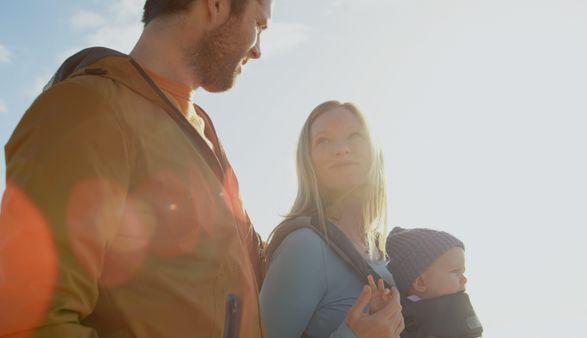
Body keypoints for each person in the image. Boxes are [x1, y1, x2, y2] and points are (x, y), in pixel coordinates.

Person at [0, 0, 272, 337]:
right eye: (258, 25)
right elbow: (29, 321)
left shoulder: (203, 129)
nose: (258, 50)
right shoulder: (86, 111)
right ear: (215, 6)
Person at [260, 101, 405, 338]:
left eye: (354, 135)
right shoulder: (304, 247)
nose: (341, 149)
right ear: (308, 162)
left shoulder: (382, 251)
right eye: (323, 140)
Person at [386, 227, 483, 338]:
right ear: (421, 283)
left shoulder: (459, 305)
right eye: (455, 272)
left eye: (463, 272)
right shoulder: (399, 317)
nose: (464, 279)